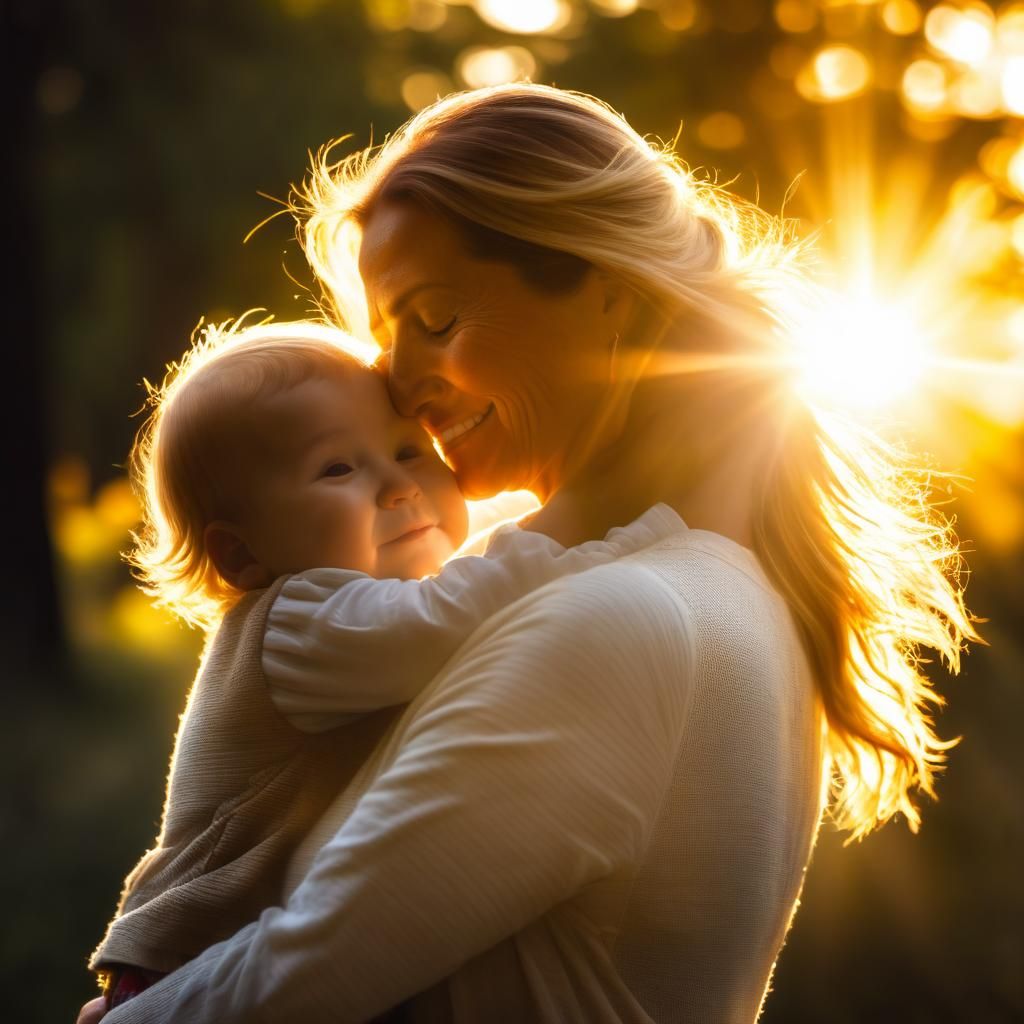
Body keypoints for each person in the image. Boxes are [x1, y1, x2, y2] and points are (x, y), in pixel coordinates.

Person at [82, 84, 976, 1024]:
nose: (400, 382)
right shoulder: (718, 594)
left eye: (433, 319)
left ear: (606, 291)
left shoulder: (617, 621)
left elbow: (303, 975)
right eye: (385, 341)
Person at [84, 316, 683, 1012]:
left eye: (408, 449)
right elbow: (449, 615)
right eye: (338, 468)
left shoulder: (353, 612)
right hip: (185, 963)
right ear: (242, 554)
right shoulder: (295, 623)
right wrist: (614, 532)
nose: (398, 487)